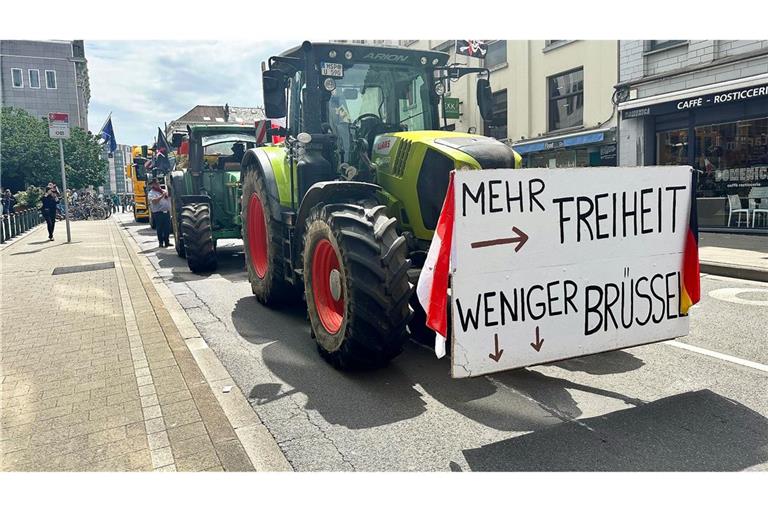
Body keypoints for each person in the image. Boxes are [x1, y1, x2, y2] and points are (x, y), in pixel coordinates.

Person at [147, 178, 172, 248]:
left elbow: (169, 197)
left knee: (167, 228)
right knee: (160, 228)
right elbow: (154, 201)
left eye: (158, 183)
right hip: (158, 213)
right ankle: (161, 243)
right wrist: (162, 196)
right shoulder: (151, 193)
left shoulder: (163, 191)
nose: (158, 184)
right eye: (156, 183)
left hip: (166, 212)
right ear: (153, 185)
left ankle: (167, 242)